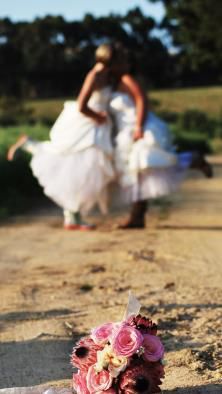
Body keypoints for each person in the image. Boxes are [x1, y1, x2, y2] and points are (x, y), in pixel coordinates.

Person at [7, 44, 116, 230]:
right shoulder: (94, 75)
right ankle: (29, 144)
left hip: (98, 127)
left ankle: (72, 216)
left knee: (82, 169)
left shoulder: (108, 75)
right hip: (89, 124)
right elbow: (82, 104)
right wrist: (98, 117)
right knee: (73, 163)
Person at [108, 43, 212, 229]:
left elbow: (141, 100)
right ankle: (137, 216)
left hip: (140, 127)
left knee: (150, 166)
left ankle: (193, 159)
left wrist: (139, 126)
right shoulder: (116, 82)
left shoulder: (127, 78)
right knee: (141, 172)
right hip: (127, 131)